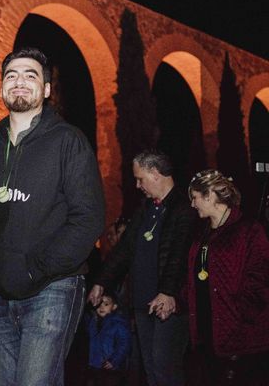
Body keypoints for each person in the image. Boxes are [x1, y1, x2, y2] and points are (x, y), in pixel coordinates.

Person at [0, 47, 105, 386]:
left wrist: (36, 268)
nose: (20, 82)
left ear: (45, 89)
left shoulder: (68, 141)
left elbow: (88, 218)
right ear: (2, 89)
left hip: (52, 288)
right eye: (11, 76)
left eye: (30, 75)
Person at [89, 150, 195, 386]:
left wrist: (168, 292)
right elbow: (124, 249)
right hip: (142, 304)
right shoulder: (146, 209)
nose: (137, 185)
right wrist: (101, 282)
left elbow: (178, 255)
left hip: (168, 304)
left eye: (140, 178)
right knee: (151, 370)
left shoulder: (184, 207)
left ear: (155, 174)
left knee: (165, 367)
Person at [186, 169, 269, 385]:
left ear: (210, 195)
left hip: (241, 336)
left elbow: (260, 277)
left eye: (195, 198)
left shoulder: (249, 230)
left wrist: (241, 309)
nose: (192, 204)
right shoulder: (201, 234)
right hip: (208, 334)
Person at [86, 291, 131, 386]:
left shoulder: (118, 324)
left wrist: (114, 360)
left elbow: (124, 344)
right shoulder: (92, 321)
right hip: (94, 365)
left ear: (114, 307)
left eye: (106, 304)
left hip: (110, 367)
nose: (101, 307)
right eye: (99, 304)